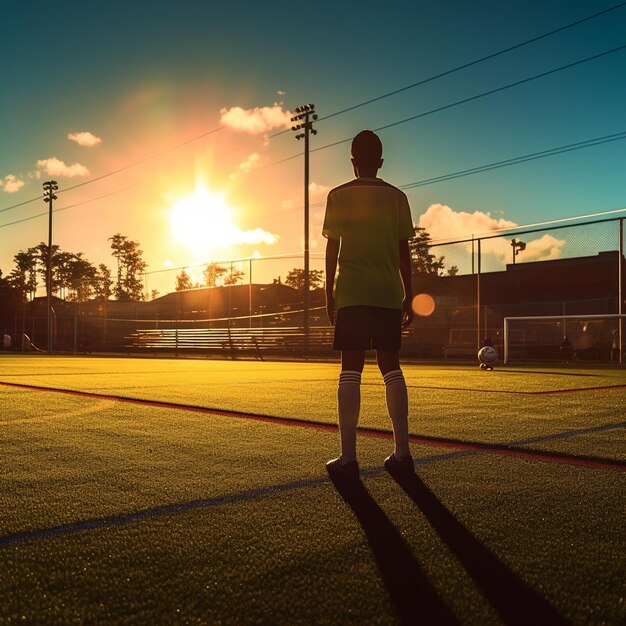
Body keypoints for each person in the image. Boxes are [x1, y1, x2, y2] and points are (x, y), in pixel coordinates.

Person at [323, 129, 415, 481]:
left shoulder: (338, 195)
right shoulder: (397, 197)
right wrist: (409, 290)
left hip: (352, 292)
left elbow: (333, 248)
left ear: (352, 162)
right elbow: (404, 250)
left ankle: (348, 459)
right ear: (380, 162)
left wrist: (328, 293)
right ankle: (402, 454)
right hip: (387, 293)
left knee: (351, 368)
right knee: (391, 367)